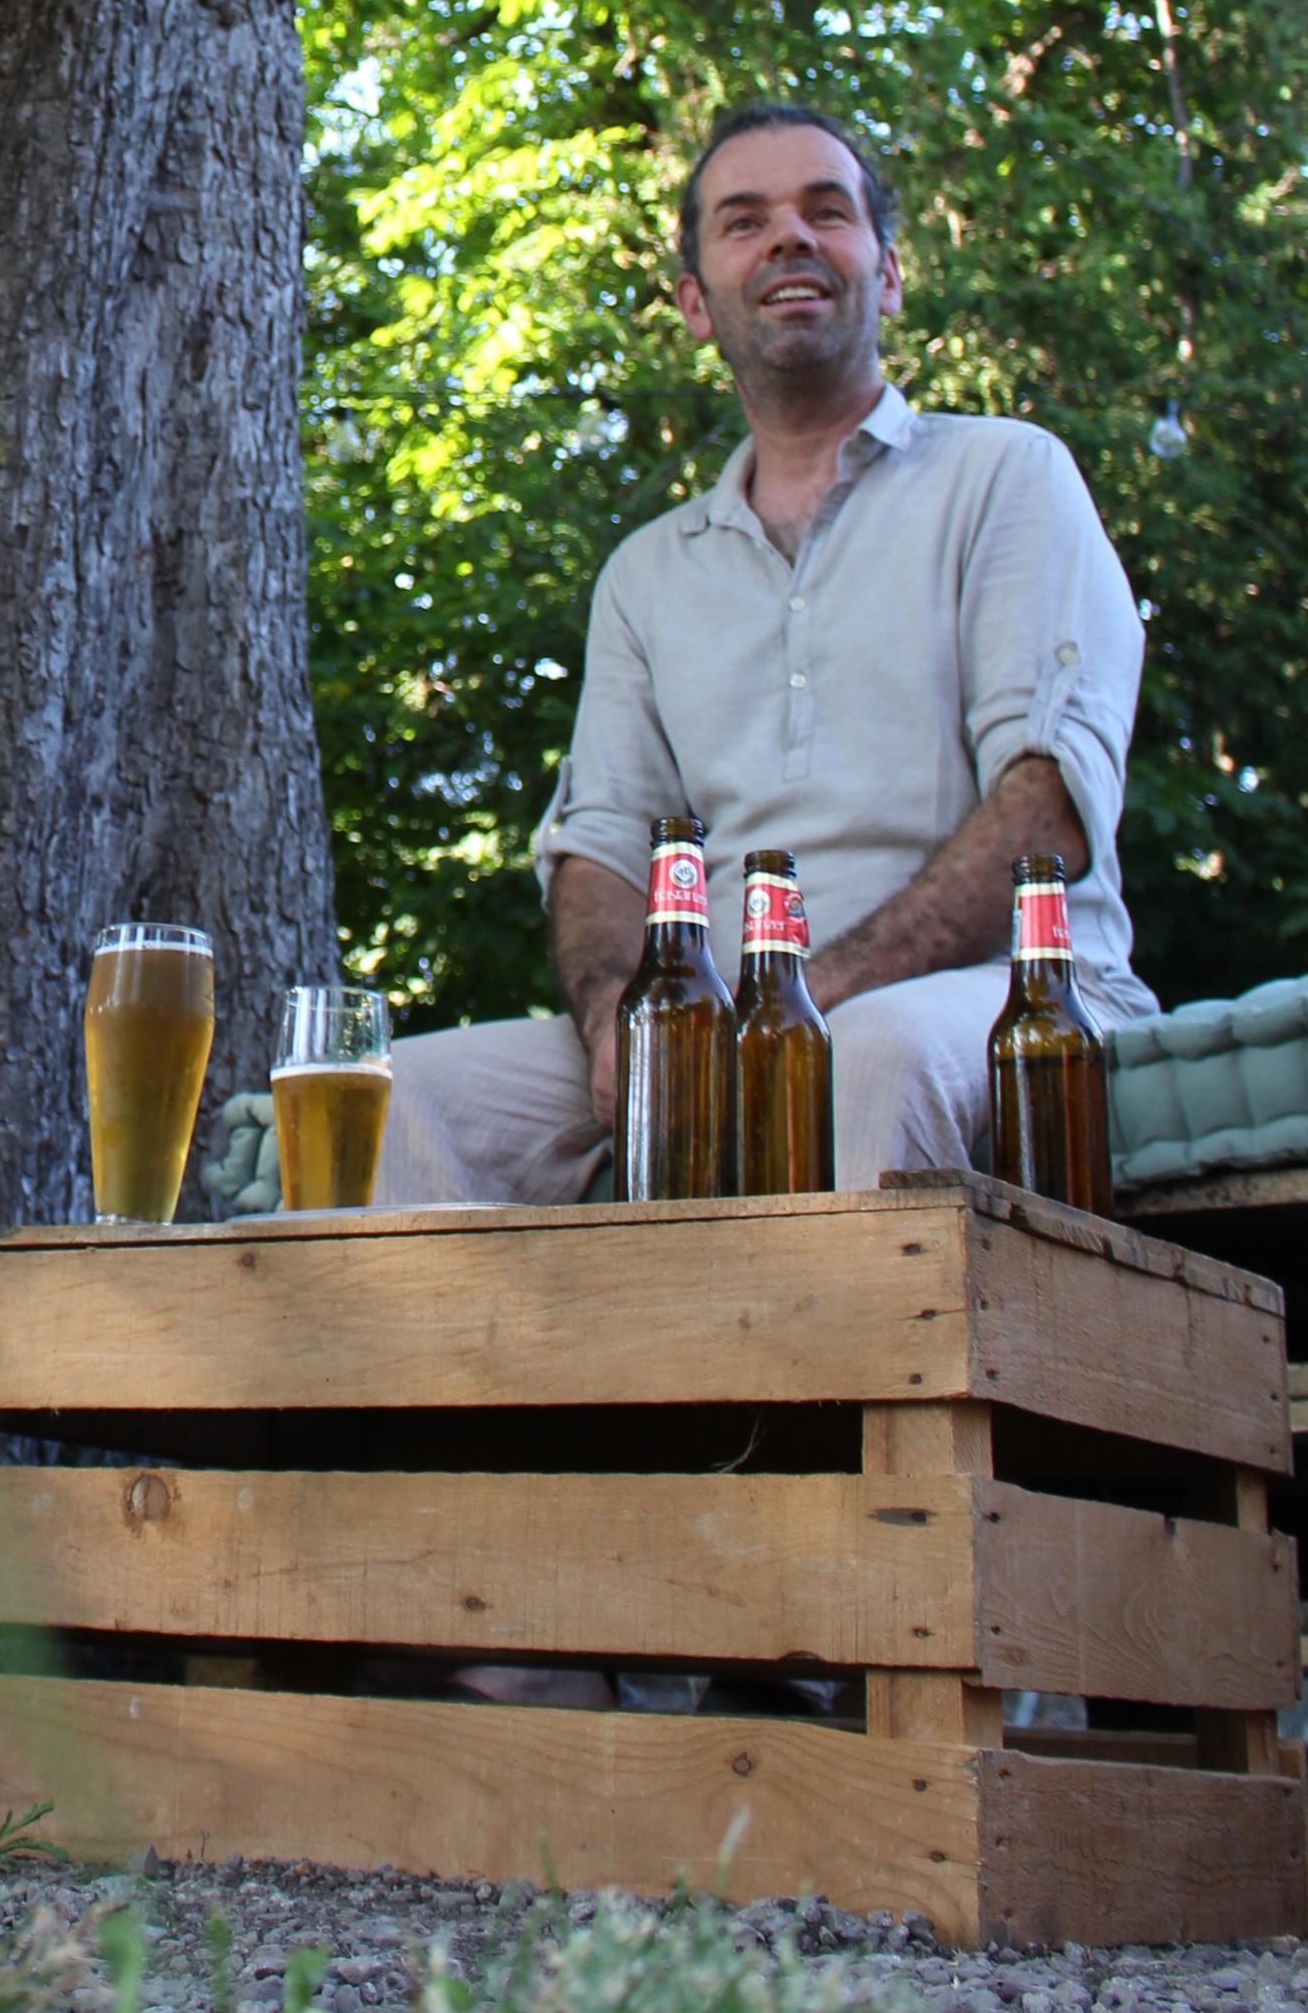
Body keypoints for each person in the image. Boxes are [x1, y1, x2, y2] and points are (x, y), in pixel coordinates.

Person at [374, 99, 1156, 1217]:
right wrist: (621, 1021)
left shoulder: (1006, 477)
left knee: (861, 1056)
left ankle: (834, 1347)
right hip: (724, 1020)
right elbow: (601, 850)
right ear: (696, 302)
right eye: (745, 221)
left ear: (888, 274)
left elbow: (1045, 810)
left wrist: (799, 1000)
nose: (790, 235)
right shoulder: (648, 575)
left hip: (1006, 995)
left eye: (826, 212)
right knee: (396, 1097)